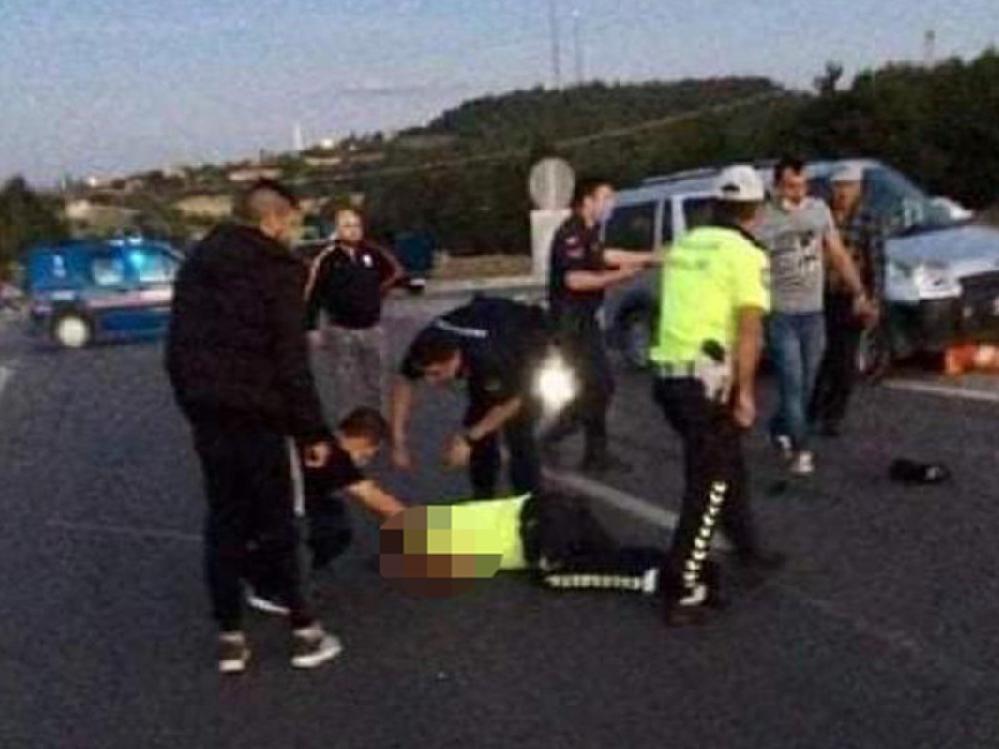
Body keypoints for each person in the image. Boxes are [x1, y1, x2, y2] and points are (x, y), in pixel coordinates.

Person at [165, 179, 341, 674]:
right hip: (262, 413)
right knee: (279, 521)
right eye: (293, 223)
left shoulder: (196, 265)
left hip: (209, 413)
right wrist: (312, 431)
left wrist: (195, 406)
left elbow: (176, 349)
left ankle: (230, 638)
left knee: (224, 521)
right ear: (273, 219)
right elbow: (290, 360)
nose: (294, 234)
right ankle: (305, 630)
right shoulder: (278, 270)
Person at [650, 165, 786, 627]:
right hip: (706, 380)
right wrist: (746, 392)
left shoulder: (686, 244)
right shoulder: (745, 254)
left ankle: (748, 549)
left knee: (727, 464)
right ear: (756, 210)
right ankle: (682, 587)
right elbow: (749, 330)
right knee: (708, 484)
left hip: (669, 374)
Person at [757, 157, 878, 476]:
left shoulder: (818, 210)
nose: (797, 193)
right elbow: (752, 265)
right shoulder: (764, 219)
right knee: (792, 383)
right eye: (790, 186)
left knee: (809, 384)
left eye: (802, 185)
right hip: (781, 313)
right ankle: (801, 449)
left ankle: (779, 427)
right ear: (776, 187)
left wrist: (859, 291)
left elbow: (837, 253)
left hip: (813, 313)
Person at [544, 177, 659, 474]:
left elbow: (605, 255)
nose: (611, 205)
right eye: (606, 198)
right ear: (587, 201)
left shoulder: (590, 232)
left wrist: (651, 258)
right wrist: (620, 276)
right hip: (570, 323)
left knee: (597, 387)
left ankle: (594, 454)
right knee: (597, 387)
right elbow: (574, 280)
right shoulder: (570, 234)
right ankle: (552, 438)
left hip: (584, 320)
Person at [245, 408, 407, 615]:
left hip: (253, 498)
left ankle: (274, 561)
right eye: (370, 452)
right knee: (336, 530)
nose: (367, 459)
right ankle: (269, 585)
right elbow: (378, 501)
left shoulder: (320, 438)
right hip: (270, 511)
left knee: (332, 510)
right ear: (366, 442)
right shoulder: (338, 460)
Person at [390, 295, 552, 499]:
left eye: (436, 374)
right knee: (479, 422)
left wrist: (468, 440)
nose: (430, 382)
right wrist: (398, 440)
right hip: (484, 325)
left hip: (525, 341)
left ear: (455, 359)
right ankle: (483, 495)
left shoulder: (489, 356)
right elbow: (404, 383)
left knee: (519, 432)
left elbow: (513, 402)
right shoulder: (424, 344)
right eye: (426, 374)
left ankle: (531, 500)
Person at [380, 490, 669, 600]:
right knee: (608, 554)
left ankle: (650, 580)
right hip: (549, 505)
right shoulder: (447, 516)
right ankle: (664, 560)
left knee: (553, 577)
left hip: (541, 533)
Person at [305, 207, 404, 419]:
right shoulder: (327, 259)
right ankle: (349, 425)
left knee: (376, 382)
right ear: (337, 230)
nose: (353, 230)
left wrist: (375, 293)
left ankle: (378, 423)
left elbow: (394, 272)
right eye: (347, 226)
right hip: (341, 330)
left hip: (372, 328)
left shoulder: (373, 253)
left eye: (357, 225)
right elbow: (314, 294)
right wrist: (311, 327)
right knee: (346, 385)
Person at [809, 164, 885, 436]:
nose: (843, 193)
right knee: (821, 357)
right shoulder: (820, 216)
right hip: (820, 296)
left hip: (851, 297)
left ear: (859, 189)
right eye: (839, 186)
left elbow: (876, 263)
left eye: (849, 186)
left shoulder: (868, 220)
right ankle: (812, 408)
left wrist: (873, 300)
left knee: (844, 360)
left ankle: (833, 416)